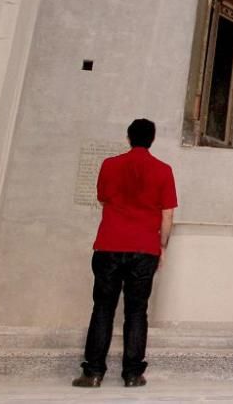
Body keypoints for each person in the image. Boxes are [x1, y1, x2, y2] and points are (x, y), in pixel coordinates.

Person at [72, 118, 178, 388]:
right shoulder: (163, 170)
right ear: (152, 139)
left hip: (109, 245)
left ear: (129, 137)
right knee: (136, 311)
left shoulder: (110, 165)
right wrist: (161, 247)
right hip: (144, 249)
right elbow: (167, 215)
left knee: (103, 308)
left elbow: (103, 198)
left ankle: (93, 372)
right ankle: (132, 374)